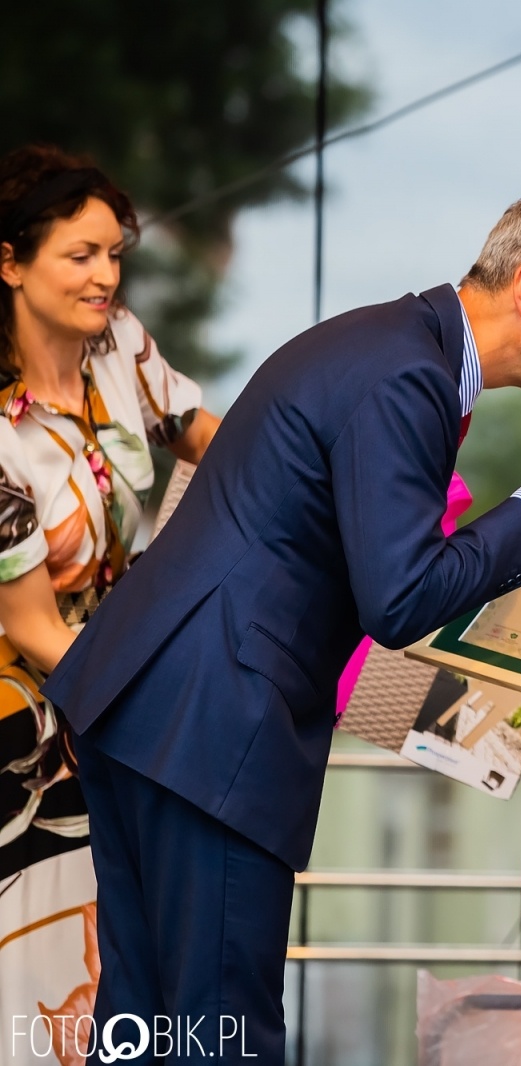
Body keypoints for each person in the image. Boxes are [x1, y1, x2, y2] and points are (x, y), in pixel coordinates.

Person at [42, 185, 521, 1064]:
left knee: (143, 1027)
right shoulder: (409, 373)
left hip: (153, 705)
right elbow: (399, 598)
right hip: (212, 724)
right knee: (220, 1033)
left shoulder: (391, 346)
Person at [0, 146, 221, 1046]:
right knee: (38, 993)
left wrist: (332, 475)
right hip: (29, 731)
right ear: (9, 262)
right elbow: (33, 630)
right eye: (79, 255)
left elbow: (214, 441)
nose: (105, 275)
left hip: (117, 702)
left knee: (113, 984)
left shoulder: (120, 346)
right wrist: (164, 698)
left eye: (114, 252)